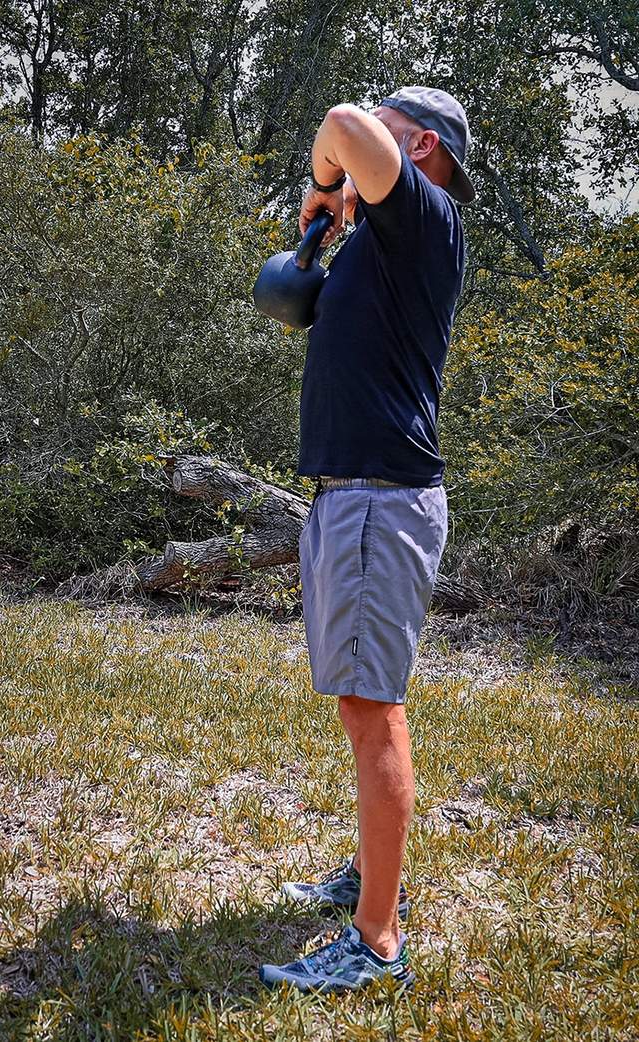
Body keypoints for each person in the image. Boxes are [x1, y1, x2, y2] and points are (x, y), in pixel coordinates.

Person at [257, 86, 473, 993]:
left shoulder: (425, 216)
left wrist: (322, 182)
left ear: (418, 146)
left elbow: (340, 121)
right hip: (358, 495)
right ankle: (369, 879)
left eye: (391, 128)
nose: (363, 141)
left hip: (381, 500)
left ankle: (376, 941)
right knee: (363, 705)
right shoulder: (383, 239)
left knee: (371, 708)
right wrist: (332, 219)